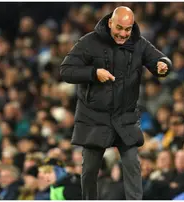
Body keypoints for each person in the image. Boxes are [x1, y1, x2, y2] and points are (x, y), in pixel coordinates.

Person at [60, 6, 172, 200]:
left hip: (124, 116)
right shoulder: (88, 42)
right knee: (89, 171)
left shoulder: (139, 43)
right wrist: (93, 73)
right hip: (94, 116)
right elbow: (66, 70)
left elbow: (159, 59)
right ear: (110, 22)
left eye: (127, 29)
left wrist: (163, 66)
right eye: (119, 28)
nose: (123, 34)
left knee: (132, 165)